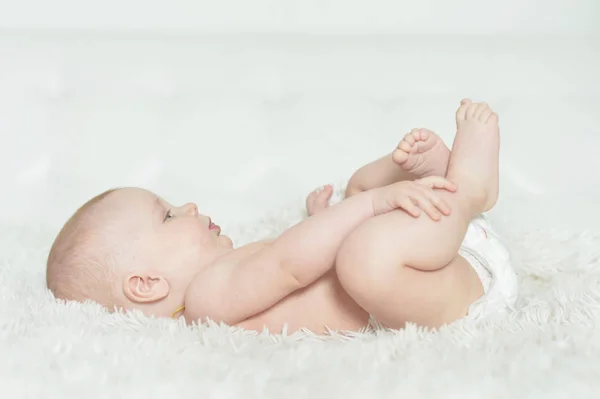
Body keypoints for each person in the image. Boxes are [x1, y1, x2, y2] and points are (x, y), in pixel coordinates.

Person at [46, 99, 518, 334]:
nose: (187, 206)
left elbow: (291, 264)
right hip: (451, 299)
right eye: (168, 217)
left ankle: (433, 181)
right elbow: (288, 265)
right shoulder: (207, 302)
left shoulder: (224, 284)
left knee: (353, 192)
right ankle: (470, 191)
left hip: (428, 259)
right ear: (145, 284)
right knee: (363, 257)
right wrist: (373, 205)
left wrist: (324, 217)